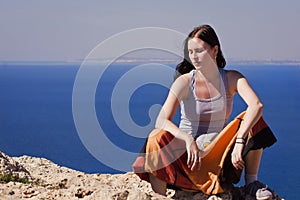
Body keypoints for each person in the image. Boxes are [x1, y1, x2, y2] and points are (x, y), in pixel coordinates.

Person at [132, 24, 277, 199]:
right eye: (190, 52)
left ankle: (251, 184)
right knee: (156, 136)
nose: (194, 57)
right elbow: (161, 120)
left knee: (252, 118)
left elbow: (256, 105)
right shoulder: (184, 82)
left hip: (218, 157)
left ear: (215, 50)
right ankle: (159, 196)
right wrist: (187, 139)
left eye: (199, 51)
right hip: (187, 159)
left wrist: (240, 141)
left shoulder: (231, 78)